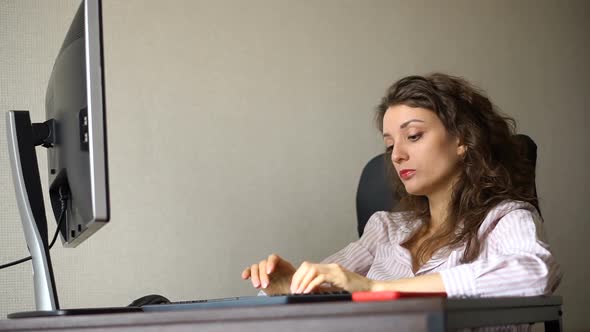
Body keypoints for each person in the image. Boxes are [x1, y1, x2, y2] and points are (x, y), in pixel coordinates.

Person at [241, 73, 561, 299]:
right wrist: (291, 284)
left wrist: (375, 289)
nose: (397, 155)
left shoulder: (505, 219)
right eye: (390, 143)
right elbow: (332, 285)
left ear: (462, 138)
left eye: (413, 136)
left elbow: (535, 274)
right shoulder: (385, 229)